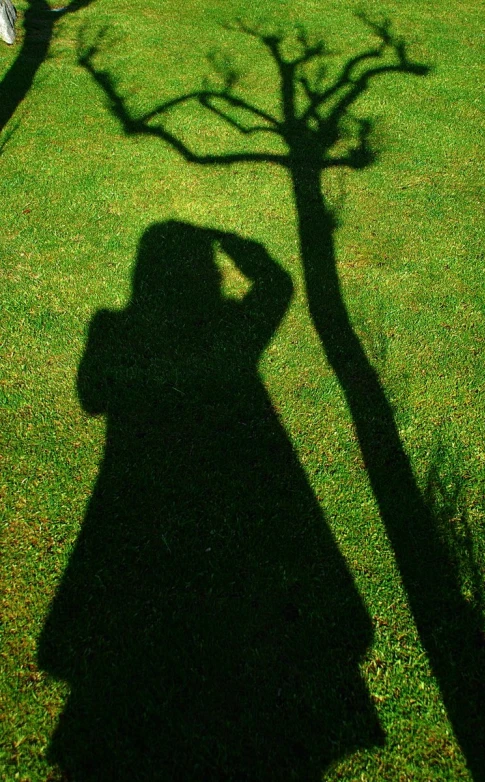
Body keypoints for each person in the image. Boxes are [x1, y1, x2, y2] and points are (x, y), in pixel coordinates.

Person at [39, 221, 383, 780]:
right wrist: (245, 251)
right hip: (237, 486)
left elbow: (91, 393)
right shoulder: (225, 328)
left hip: (136, 492)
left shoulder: (117, 328)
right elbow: (278, 290)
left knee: (137, 631)